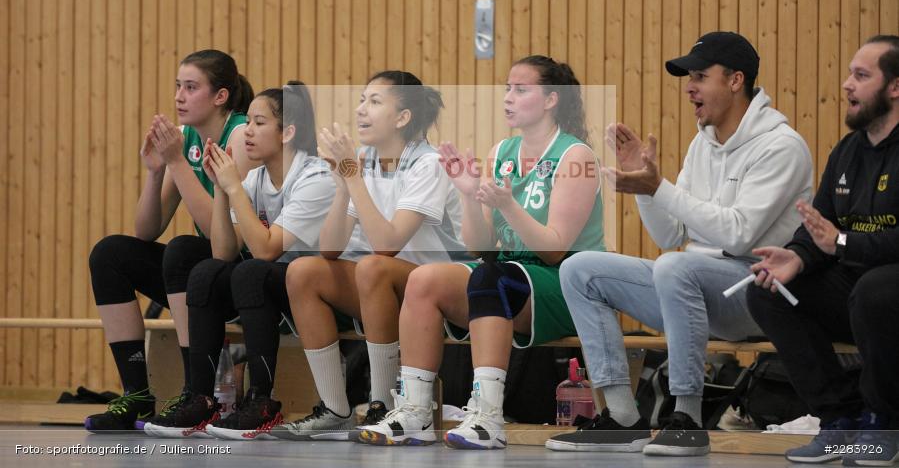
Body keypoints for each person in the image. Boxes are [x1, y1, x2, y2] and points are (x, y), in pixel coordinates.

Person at [547, 32, 813, 456]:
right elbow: (671, 234)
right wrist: (644, 186)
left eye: (700, 76)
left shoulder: (782, 147)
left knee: (675, 267)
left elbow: (738, 234)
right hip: (691, 290)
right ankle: (620, 417)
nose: (689, 87)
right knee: (580, 269)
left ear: (735, 80)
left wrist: (661, 188)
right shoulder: (702, 142)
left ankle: (687, 418)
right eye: (688, 77)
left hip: (757, 296)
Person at [357, 55, 605, 450]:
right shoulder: (503, 151)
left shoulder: (576, 156)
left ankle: (488, 416)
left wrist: (508, 205)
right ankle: (415, 411)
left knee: (492, 277)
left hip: (568, 285)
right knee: (426, 278)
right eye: (507, 88)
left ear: (551, 100)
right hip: (511, 277)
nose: (508, 97)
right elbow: (479, 246)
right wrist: (469, 195)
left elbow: (556, 249)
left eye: (521, 90)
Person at [267, 71, 465, 442]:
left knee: (373, 266)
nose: (361, 109)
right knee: (303, 271)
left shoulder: (428, 163)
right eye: (361, 99)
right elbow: (330, 249)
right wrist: (344, 186)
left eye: (374, 101)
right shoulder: (366, 160)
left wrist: (353, 176)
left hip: (434, 289)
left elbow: (386, 243)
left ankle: (383, 403)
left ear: (403, 118)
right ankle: (335, 409)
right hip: (382, 286)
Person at [140, 82, 335, 439]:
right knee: (206, 271)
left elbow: (265, 251)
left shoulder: (315, 176)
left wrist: (232, 189)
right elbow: (222, 252)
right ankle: (200, 397)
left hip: (324, 287)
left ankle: (262, 402)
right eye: (249, 122)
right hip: (281, 282)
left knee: (251, 272)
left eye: (259, 123)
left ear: (287, 132)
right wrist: (219, 189)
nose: (247, 130)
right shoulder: (256, 178)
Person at [747, 35, 899, 466]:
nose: (847, 84)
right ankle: (841, 417)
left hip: (888, 286)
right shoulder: (849, 150)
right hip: (860, 286)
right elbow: (820, 224)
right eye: (850, 73)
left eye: (862, 75)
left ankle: (886, 421)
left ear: (895, 87)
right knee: (767, 290)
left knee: (876, 290)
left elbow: (841, 238)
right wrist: (796, 256)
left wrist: (843, 242)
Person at [85, 50, 255, 432]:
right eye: (178, 86)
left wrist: (178, 163)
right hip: (197, 281)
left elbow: (220, 238)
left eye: (191, 87)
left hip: (241, 277)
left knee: (183, 250)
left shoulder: (241, 135)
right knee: (110, 253)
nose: (179, 95)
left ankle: (197, 391)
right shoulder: (186, 137)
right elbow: (146, 231)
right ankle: (137, 397)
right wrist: (156, 172)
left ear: (220, 97)